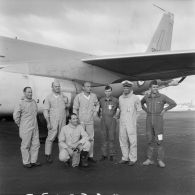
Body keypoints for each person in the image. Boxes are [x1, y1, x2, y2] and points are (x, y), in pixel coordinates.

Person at [141, 80, 176, 168]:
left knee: (159, 141)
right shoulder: (146, 97)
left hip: (158, 121)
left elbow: (173, 103)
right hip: (149, 120)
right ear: (150, 88)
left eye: (156, 87)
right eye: (153, 87)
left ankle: (160, 160)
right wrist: (146, 110)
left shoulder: (162, 97)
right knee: (149, 140)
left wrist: (165, 110)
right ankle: (149, 159)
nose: (155, 88)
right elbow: (141, 103)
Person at [13, 87, 41, 168]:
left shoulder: (33, 102)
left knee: (36, 144)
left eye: (31, 92)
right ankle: (26, 162)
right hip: (26, 127)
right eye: (28, 92)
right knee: (25, 145)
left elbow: (35, 112)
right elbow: (16, 116)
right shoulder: (20, 103)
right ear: (24, 93)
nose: (30, 94)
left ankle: (33, 161)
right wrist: (21, 125)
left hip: (34, 126)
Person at [73, 81, 99, 163]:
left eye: (90, 86)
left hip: (90, 121)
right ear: (83, 88)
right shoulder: (78, 97)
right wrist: (75, 119)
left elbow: (97, 104)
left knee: (91, 139)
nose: (89, 88)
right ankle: (81, 156)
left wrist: (95, 111)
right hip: (81, 122)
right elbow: (75, 108)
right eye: (87, 86)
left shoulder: (93, 96)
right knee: (81, 139)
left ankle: (90, 156)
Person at [43, 80, 69, 163]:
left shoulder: (64, 97)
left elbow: (67, 108)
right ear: (52, 87)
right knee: (50, 138)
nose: (58, 88)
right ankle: (47, 155)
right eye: (56, 86)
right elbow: (45, 110)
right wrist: (48, 122)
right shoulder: (48, 97)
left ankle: (63, 156)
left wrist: (67, 107)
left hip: (62, 120)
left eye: (59, 86)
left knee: (62, 138)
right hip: (53, 121)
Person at [118, 80, 142, 166]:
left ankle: (133, 159)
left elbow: (139, 111)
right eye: (124, 87)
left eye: (127, 87)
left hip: (131, 123)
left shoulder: (135, 98)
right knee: (122, 141)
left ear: (130, 88)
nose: (125, 89)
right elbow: (120, 110)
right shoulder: (120, 98)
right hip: (122, 123)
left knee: (133, 141)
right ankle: (125, 158)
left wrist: (134, 120)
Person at [99, 85, 119, 161]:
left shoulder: (115, 100)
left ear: (111, 91)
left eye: (109, 91)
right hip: (103, 121)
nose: (108, 93)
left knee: (112, 138)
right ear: (104, 92)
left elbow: (119, 109)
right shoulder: (101, 100)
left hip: (112, 121)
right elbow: (100, 109)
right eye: (106, 91)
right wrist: (100, 115)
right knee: (104, 138)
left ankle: (111, 155)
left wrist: (116, 116)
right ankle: (104, 155)